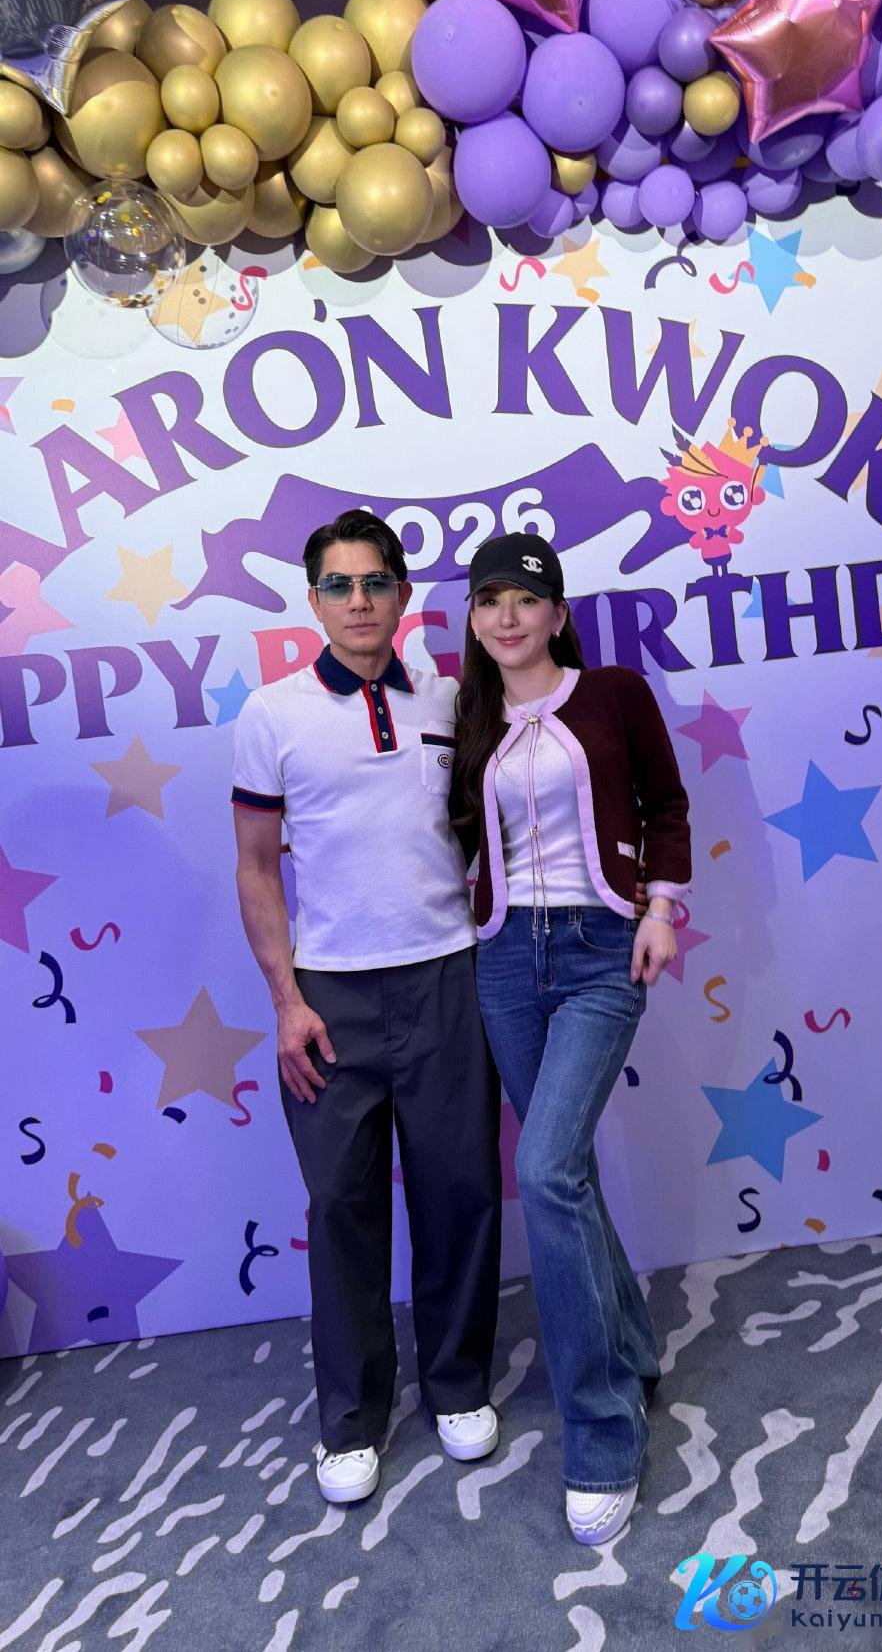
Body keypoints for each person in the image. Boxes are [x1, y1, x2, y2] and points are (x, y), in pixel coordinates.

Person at [231, 510, 501, 1506]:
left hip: (447, 977)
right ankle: (350, 1419)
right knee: (341, 1206)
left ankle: (459, 1385)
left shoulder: (452, 698)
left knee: (460, 1192)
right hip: (330, 996)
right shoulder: (272, 714)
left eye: (376, 582)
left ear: (402, 594)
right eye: (339, 585)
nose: (359, 601)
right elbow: (257, 868)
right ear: (313, 600)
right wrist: (285, 1000)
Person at [451, 532, 692, 1546]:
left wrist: (660, 906)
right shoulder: (466, 720)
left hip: (600, 949)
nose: (506, 615)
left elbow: (665, 803)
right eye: (488, 599)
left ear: (557, 613)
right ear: (474, 620)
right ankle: (630, 1348)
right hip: (505, 958)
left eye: (525, 598)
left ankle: (601, 1430)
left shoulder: (615, 694)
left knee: (545, 1168)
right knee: (569, 1174)